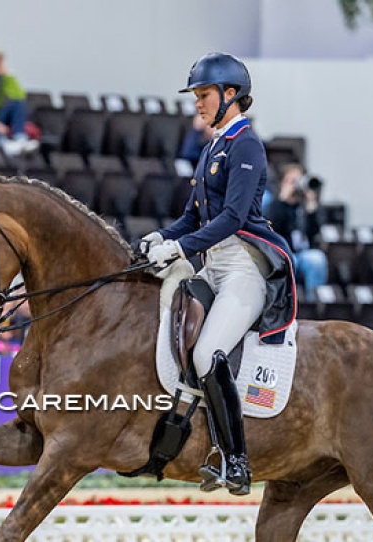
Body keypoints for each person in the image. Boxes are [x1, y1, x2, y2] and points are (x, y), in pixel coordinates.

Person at [141, 53, 296, 496]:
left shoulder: (246, 144)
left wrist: (181, 247)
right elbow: (192, 217)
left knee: (209, 354)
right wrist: (160, 236)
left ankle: (237, 461)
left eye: (204, 95)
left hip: (243, 266)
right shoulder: (213, 145)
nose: (198, 104)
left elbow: (231, 216)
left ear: (231, 94)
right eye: (196, 97)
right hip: (213, 264)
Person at [266, 164, 329, 302]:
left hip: (303, 252)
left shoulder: (305, 206)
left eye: (299, 180)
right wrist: (283, 200)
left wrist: (311, 205)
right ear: (283, 183)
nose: (296, 185)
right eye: (291, 181)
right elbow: (272, 229)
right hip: (284, 253)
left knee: (317, 259)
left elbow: (315, 232)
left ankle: (314, 303)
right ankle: (284, 305)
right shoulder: (275, 206)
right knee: (289, 261)